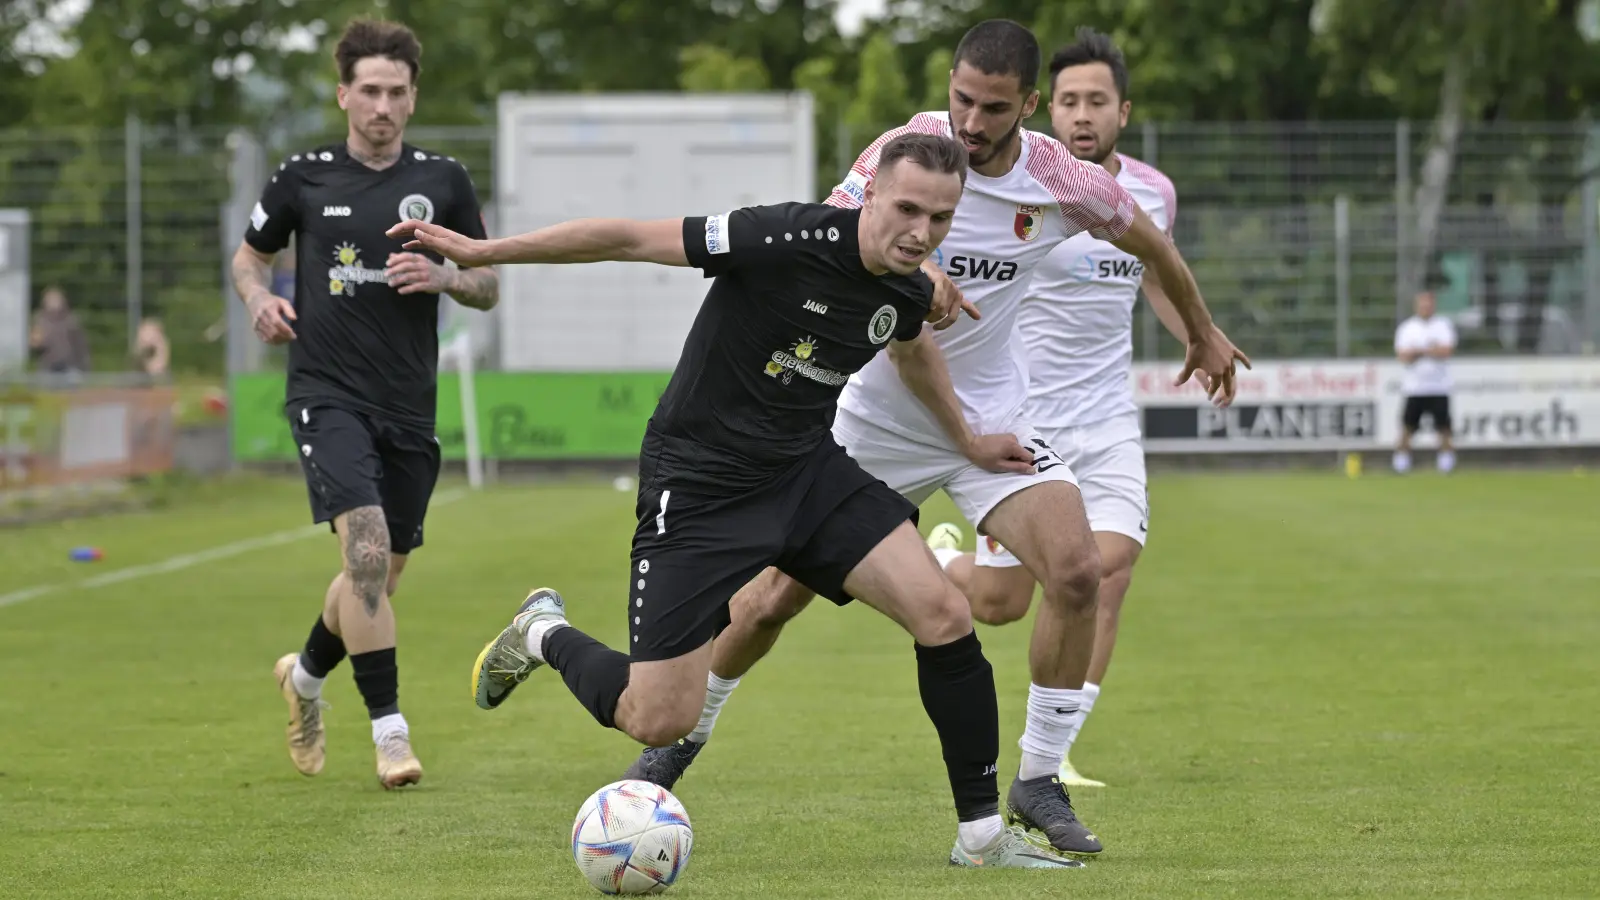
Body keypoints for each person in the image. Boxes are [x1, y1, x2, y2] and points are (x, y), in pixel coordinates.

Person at [622, 18, 1248, 858]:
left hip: (991, 420)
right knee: (772, 601)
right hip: (876, 415)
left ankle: (1038, 779)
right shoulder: (904, 149)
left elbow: (1152, 243)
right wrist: (920, 268)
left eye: (993, 108)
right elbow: (843, 237)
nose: (971, 123)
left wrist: (1201, 333)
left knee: (1075, 569)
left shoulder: (1062, 178)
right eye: (960, 100)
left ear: (1028, 106)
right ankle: (680, 739)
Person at [395, 132, 1084, 869]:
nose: (921, 232)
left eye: (941, 219)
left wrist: (970, 439)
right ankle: (542, 632)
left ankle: (980, 840)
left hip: (806, 473)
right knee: (659, 717)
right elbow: (628, 238)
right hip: (699, 484)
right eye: (908, 209)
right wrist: (484, 251)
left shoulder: (907, 284)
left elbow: (911, 344)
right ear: (871, 194)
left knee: (942, 614)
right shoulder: (781, 236)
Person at [924, 27, 1214, 790]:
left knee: (1101, 570)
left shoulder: (1150, 194)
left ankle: (1054, 749)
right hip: (1026, 418)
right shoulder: (1030, 185)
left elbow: (1155, 272)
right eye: (1069, 101)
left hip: (1108, 416)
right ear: (1043, 107)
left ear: (1125, 109)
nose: (1081, 116)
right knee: (996, 605)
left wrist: (1200, 337)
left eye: (1097, 101)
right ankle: (944, 556)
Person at [229, 18, 499, 789]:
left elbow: (488, 283)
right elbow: (250, 259)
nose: (382, 105)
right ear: (344, 94)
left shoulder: (443, 181)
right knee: (368, 553)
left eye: (397, 92)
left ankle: (305, 680)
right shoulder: (302, 177)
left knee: (373, 576)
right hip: (326, 395)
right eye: (370, 91)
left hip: (408, 406)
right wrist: (257, 300)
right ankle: (391, 735)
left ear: (413, 101)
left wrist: (449, 278)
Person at [1393, 288, 1457, 473]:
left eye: (1429, 303)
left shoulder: (1443, 325)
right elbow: (1404, 355)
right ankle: (1401, 460)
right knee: (1407, 426)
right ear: (1417, 305)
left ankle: (1446, 461)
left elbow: (1446, 351)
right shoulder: (1407, 328)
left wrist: (1420, 351)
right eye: (1423, 303)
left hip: (1439, 386)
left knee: (1443, 427)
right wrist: (1429, 350)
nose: (1426, 307)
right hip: (1415, 387)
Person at [29, 286, 90, 377]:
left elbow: (81, 344)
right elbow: (34, 343)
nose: (53, 303)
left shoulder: (71, 319)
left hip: (70, 364)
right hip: (48, 364)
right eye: (50, 300)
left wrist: (85, 365)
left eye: (56, 300)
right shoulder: (40, 319)